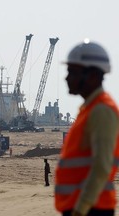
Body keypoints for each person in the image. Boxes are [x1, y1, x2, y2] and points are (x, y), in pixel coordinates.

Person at [55, 40, 119, 216]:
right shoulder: (90, 110)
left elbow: (102, 167)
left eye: (72, 72)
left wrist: (80, 209)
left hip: (91, 209)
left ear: (92, 75)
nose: (67, 78)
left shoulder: (101, 110)